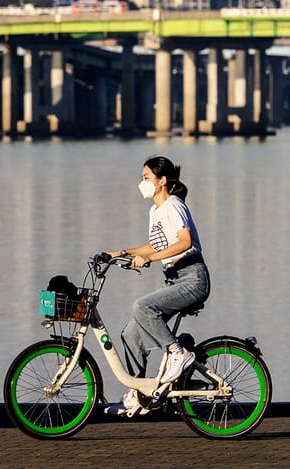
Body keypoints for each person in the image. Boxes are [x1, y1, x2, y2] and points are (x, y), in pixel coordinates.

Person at [103, 156, 211, 416]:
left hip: (192, 279)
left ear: (162, 181)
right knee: (131, 334)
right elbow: (156, 245)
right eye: (142, 178)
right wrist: (121, 253)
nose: (142, 183)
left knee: (142, 306)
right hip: (174, 278)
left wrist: (149, 258)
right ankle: (139, 393)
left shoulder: (174, 205)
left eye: (146, 178)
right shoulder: (155, 211)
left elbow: (185, 242)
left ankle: (177, 353)